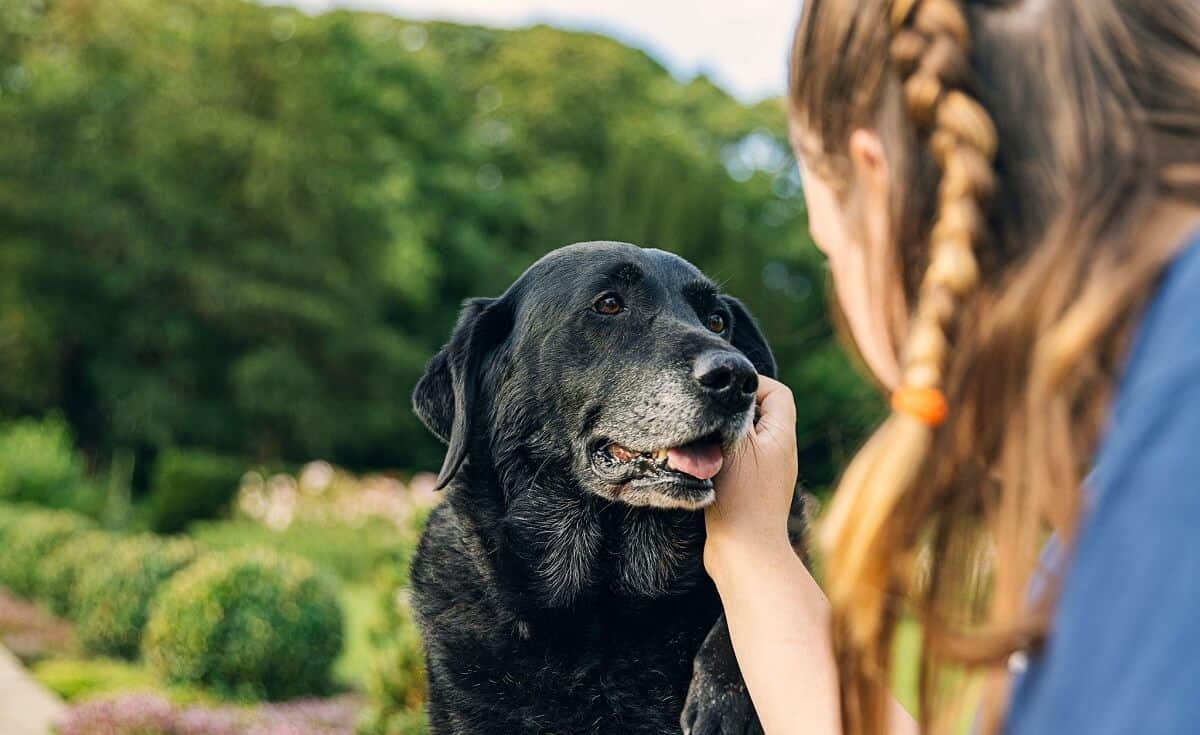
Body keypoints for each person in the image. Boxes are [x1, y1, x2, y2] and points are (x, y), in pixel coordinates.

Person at [703, 0, 1200, 733]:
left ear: (876, 183)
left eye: (828, 248)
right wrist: (751, 550)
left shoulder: (1168, 488)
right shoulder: (1136, 468)